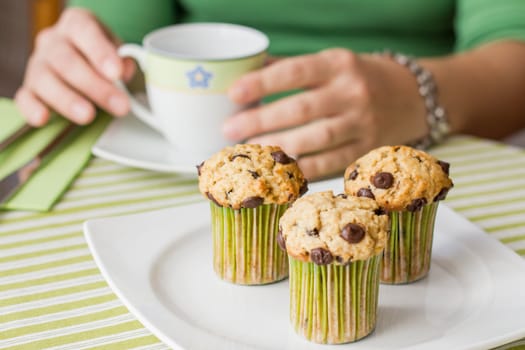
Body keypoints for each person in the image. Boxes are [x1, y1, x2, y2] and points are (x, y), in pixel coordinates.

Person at [15, 0, 525, 180]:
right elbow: (117, 35)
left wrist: (417, 93)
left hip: (421, 144)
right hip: (172, 179)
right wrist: (78, 60)